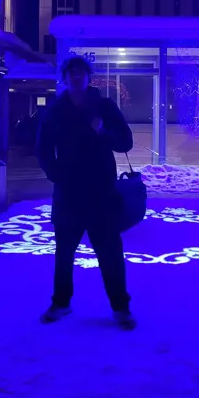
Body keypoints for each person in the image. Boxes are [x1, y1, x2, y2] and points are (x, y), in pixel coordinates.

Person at [36, 55, 136, 329]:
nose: (76, 77)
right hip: (68, 195)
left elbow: (126, 142)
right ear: (65, 78)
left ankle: (121, 308)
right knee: (64, 253)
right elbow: (43, 150)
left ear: (89, 77)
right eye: (72, 73)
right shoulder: (55, 111)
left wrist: (103, 130)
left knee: (110, 254)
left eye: (81, 72)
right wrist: (56, 175)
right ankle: (61, 303)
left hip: (101, 194)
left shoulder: (103, 106)